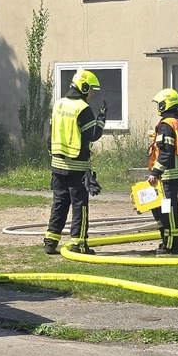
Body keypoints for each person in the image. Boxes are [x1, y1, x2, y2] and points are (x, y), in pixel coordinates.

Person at [42, 69, 107, 255]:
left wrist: (53, 156)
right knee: (80, 205)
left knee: (59, 203)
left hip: (57, 165)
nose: (92, 93)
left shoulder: (58, 105)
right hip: (77, 168)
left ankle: (50, 241)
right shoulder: (82, 108)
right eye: (91, 89)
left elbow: (50, 135)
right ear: (84, 87)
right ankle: (79, 243)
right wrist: (101, 119)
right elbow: (93, 135)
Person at [147, 88, 178, 255]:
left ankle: (170, 245)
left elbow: (166, 151)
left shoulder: (167, 125)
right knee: (163, 207)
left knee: (166, 209)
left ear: (165, 104)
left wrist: (155, 173)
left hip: (167, 175)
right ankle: (168, 241)